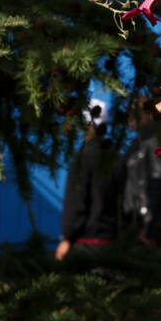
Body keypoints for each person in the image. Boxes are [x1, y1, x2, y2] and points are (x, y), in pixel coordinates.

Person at [57, 98, 124, 259]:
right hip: (112, 241)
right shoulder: (116, 158)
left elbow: (76, 201)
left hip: (86, 242)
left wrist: (68, 236)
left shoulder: (83, 158)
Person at [122, 96, 161, 247]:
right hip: (136, 219)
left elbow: (160, 184)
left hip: (144, 226)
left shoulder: (155, 141)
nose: (129, 117)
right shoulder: (141, 141)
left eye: (135, 112)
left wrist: (148, 228)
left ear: (150, 114)